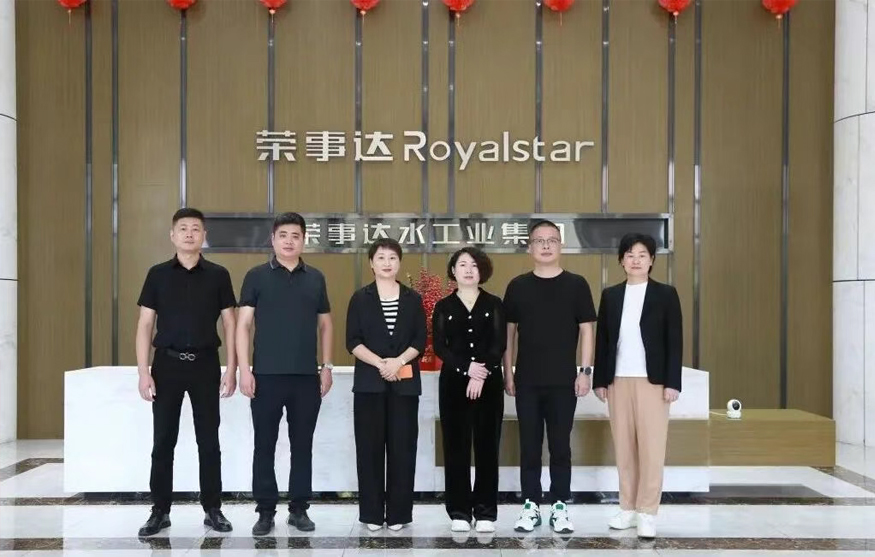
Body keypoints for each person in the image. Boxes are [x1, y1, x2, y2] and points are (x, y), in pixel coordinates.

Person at [135, 207, 237, 537]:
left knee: (209, 440)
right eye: (183, 228)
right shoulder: (157, 274)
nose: (190, 233)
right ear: (173, 235)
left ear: (204, 235)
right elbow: (145, 324)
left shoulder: (218, 275)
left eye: (196, 228)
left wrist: (232, 368)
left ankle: (213, 509)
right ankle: (159, 510)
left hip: (206, 364)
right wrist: (143, 372)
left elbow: (231, 323)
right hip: (167, 364)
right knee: (163, 440)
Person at [236, 212, 334, 536]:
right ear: (273, 239)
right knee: (264, 445)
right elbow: (243, 325)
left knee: (302, 445)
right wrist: (244, 370)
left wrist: (327, 366)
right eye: (283, 235)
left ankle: (299, 509)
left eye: (295, 236)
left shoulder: (316, 278)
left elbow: (325, 325)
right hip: (265, 376)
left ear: (304, 240)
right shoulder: (256, 276)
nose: (289, 241)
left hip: (306, 377)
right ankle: (265, 511)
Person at [503, 219, 597, 534]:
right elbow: (509, 334)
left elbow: (587, 330)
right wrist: (508, 373)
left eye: (552, 240)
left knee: (560, 446)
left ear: (561, 245)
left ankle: (559, 506)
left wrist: (585, 372)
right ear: (529, 247)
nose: (546, 245)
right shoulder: (518, 286)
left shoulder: (577, 284)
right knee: (529, 446)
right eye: (539, 240)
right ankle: (530, 505)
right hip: (527, 381)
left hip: (563, 382)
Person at [593, 232, 682, 539]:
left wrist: (672, 382)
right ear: (621, 260)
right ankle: (628, 508)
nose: (636, 260)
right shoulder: (611, 295)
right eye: (630, 255)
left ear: (652, 260)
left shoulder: (666, 294)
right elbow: (603, 340)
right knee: (624, 448)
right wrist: (600, 380)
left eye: (642, 255)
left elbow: (675, 341)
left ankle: (647, 512)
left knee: (652, 449)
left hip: (653, 382)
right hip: (618, 380)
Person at [346, 238, 427, 532]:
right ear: (371, 263)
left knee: (402, 449)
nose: (387, 263)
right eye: (381, 257)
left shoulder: (413, 299)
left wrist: (398, 362)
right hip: (369, 385)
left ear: (399, 263)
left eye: (392, 258)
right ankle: (371, 514)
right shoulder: (360, 298)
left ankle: (398, 514)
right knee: (369, 450)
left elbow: (420, 339)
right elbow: (352, 341)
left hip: (404, 386)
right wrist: (382, 364)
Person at [432, 247, 506, 534]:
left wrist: (481, 372)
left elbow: (499, 344)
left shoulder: (494, 303)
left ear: (482, 271)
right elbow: (441, 347)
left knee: (487, 447)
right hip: (454, 384)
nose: (468, 270)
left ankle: (486, 511)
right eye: (462, 264)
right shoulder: (444, 306)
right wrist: (468, 369)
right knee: (456, 448)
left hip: (489, 384)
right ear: (453, 271)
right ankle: (459, 511)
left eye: (474, 265)